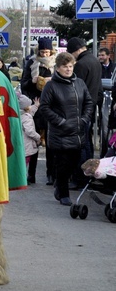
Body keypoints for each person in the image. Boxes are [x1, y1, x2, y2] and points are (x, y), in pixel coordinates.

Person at [38, 52, 94, 206]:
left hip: (77, 131)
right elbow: (44, 107)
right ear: (58, 68)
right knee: (63, 164)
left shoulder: (79, 83)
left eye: (70, 66)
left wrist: (84, 119)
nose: (68, 69)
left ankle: (60, 188)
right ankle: (63, 193)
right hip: (60, 133)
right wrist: (61, 122)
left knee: (74, 162)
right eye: (65, 67)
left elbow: (89, 102)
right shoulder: (51, 85)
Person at [19, 37, 56, 184]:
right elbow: (23, 85)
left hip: (50, 106)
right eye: (42, 52)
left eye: (47, 52)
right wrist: (32, 82)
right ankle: (31, 174)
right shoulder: (32, 62)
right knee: (33, 141)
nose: (45, 54)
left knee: (50, 142)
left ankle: (50, 174)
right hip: (35, 106)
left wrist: (51, 81)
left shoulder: (56, 64)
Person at [66, 37, 102, 182]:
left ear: (76, 50)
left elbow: (75, 89)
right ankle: (89, 174)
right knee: (87, 142)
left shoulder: (81, 64)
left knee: (80, 143)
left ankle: (80, 176)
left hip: (80, 109)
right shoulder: (95, 61)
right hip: (91, 107)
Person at [19, 95, 41, 184]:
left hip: (21, 144)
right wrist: (38, 137)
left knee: (21, 163)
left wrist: (35, 106)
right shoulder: (27, 117)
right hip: (27, 144)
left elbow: (29, 111)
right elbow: (30, 131)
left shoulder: (20, 114)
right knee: (24, 163)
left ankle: (20, 178)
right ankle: (22, 180)